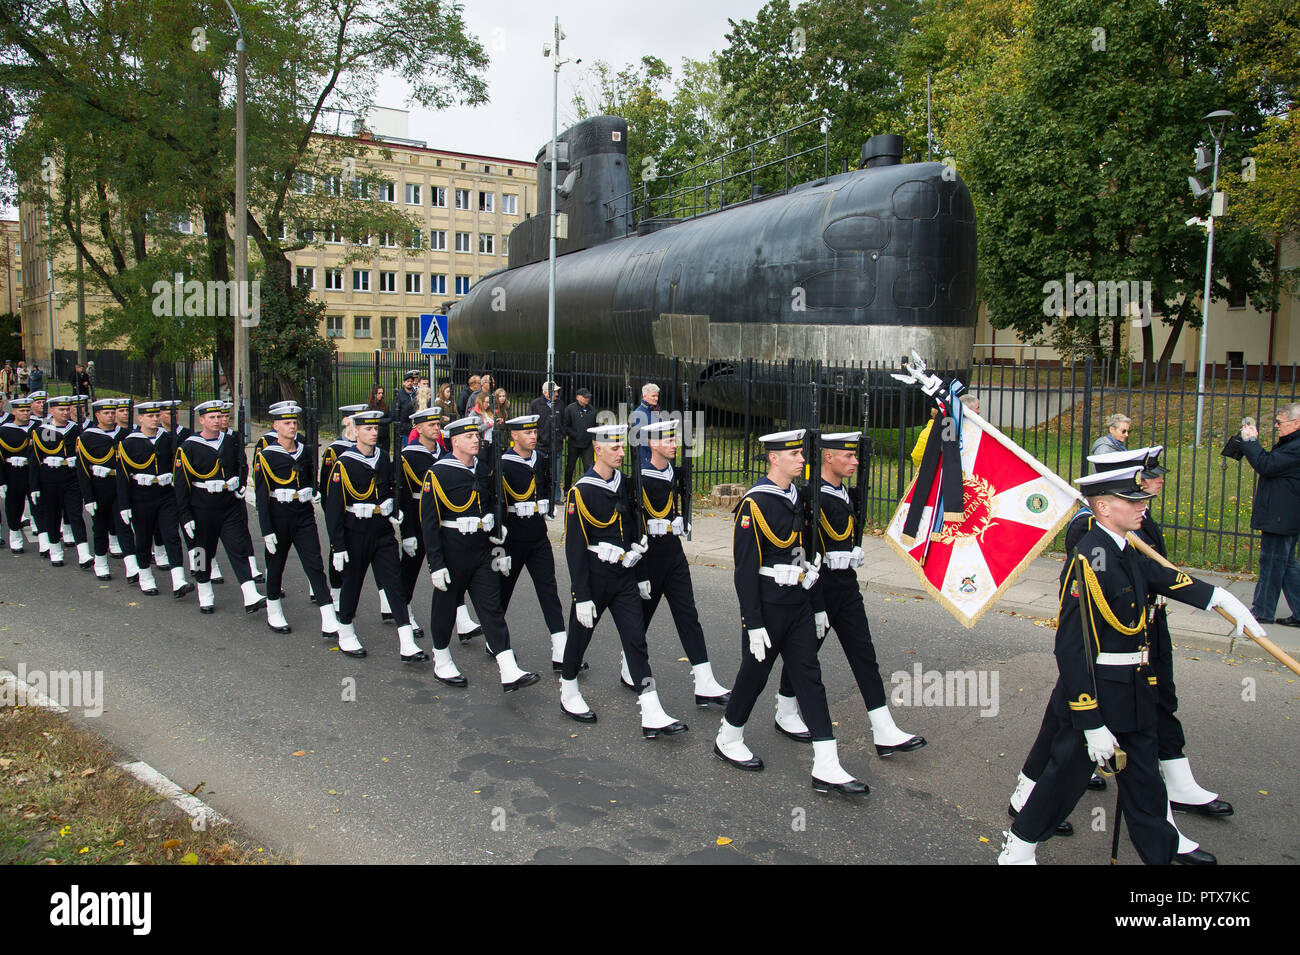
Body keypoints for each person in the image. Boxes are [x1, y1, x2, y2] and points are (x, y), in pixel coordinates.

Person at [998, 464, 1260, 865]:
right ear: (1103, 507)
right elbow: (1071, 648)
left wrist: (1219, 598)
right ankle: (1018, 848)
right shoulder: (1090, 559)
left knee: (1144, 781)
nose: (1143, 507)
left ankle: (1161, 851)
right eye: (1132, 500)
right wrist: (1090, 720)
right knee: (1063, 780)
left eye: (1142, 500)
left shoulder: (1125, 548)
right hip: (1101, 692)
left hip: (1135, 686)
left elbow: (1161, 577)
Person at [712, 429, 867, 795]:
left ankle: (827, 764)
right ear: (774, 458)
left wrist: (817, 608)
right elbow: (745, 570)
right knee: (754, 675)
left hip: (798, 602)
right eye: (795, 454)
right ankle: (728, 735)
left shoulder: (801, 497)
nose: (802, 459)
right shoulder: (754, 503)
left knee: (810, 678)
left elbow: (806, 555)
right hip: (767, 605)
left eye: (802, 453)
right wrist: (752, 623)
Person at [771, 430, 924, 755]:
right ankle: (785, 710)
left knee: (864, 655)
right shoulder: (812, 497)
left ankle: (884, 729)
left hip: (846, 586)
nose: (855, 462)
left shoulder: (845, 495)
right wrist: (816, 601)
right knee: (805, 654)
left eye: (856, 456)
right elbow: (803, 549)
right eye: (848, 456)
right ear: (828, 456)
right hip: (818, 588)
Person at [558, 424, 686, 737]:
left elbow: (632, 531)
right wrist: (581, 595)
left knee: (635, 639)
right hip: (595, 577)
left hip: (625, 577)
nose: (620, 453)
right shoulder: (582, 491)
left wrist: (641, 574)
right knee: (580, 636)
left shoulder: (625, 485)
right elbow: (574, 548)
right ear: (597, 449)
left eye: (621, 447)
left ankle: (651, 707)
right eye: (613, 448)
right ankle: (569, 689)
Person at [420, 414, 540, 691]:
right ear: (455, 442)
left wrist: (496, 531)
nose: (476, 440)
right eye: (470, 437)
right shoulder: (438, 473)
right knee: (446, 607)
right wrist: (435, 564)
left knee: (491, 607)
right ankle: (441, 658)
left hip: (482, 550)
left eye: (476, 436)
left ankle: (508, 667)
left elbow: (490, 504)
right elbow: (430, 524)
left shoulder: (483, 469)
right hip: (453, 551)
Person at [619, 418, 730, 705]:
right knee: (642, 616)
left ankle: (705, 680)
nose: (674, 444)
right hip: (650, 557)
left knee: (688, 615)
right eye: (668, 440)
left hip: (674, 554)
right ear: (652, 444)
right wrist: (639, 568)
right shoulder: (639, 479)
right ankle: (628, 665)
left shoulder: (674, 473)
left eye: (674, 439)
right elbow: (633, 524)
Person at [324, 408, 422, 660]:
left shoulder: (381, 457)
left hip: (381, 530)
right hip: (355, 531)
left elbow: (390, 488)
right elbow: (334, 509)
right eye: (367, 429)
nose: (373, 433)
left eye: (375, 428)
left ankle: (406, 640)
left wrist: (393, 508)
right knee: (352, 583)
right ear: (355, 432)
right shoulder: (343, 464)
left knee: (394, 583)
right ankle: (345, 631)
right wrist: (337, 546)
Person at [174, 399, 265, 614]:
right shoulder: (188, 446)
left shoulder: (230, 441)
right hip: (201, 506)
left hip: (228, 504)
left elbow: (241, 464)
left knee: (238, 547)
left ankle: (250, 592)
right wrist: (185, 516)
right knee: (201, 551)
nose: (216, 421)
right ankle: (204, 591)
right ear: (201, 420)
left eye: (219, 417)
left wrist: (240, 484)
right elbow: (181, 484)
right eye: (211, 417)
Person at [253, 402, 334, 637]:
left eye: (294, 423)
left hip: (303, 514)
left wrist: (312, 490)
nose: (291, 427)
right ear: (275, 426)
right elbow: (261, 495)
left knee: (314, 563)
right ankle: (274, 608)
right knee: (275, 564)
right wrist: (266, 530)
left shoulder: (304, 450)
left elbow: (310, 477)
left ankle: (328, 615)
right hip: (279, 515)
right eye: (286, 423)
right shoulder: (266, 455)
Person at [496, 414, 570, 671]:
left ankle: (561, 647)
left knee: (548, 589)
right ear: (514, 435)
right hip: (513, 536)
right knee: (503, 590)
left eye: (534, 431)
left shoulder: (541, 459)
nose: (533, 436)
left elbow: (547, 485)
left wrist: (548, 504)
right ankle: (495, 638)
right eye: (527, 432)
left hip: (537, 534)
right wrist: (500, 546)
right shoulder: (503, 463)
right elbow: (498, 504)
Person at [116, 400, 191, 598]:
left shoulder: (167, 439)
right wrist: (124, 505)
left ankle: (178, 580)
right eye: (150, 416)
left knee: (171, 535)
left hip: (165, 494)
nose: (155, 419)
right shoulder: (130, 442)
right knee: (143, 538)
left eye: (157, 416)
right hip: (141, 496)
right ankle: (145, 576)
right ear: (140, 418)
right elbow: (123, 475)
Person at [1240, 405, 1300, 626]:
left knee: (1272, 563)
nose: (1276, 425)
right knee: (1286, 565)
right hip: (1283, 513)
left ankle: (1262, 610)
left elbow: (1266, 465)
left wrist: (1250, 443)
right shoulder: (1291, 443)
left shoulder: (1296, 446)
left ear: (1296, 423)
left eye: (1280, 422)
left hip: (1281, 515)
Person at [76, 398, 138, 581]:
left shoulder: (125, 434)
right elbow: (82, 470)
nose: (110, 416)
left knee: (124, 525)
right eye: (106, 413)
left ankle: (132, 566)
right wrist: (88, 497)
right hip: (99, 487)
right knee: (100, 526)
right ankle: (101, 562)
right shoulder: (88, 437)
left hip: (120, 486)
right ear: (97, 415)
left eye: (112, 413)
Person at [397, 406, 444, 634]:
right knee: (410, 568)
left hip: (440, 517)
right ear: (418, 428)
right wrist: (407, 533)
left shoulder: (443, 452)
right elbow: (403, 498)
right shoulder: (407, 456)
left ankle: (460, 616)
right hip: (416, 516)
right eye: (431, 425)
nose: (436, 429)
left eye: (437, 424)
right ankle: (403, 611)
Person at [28, 395, 90, 568]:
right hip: (49, 479)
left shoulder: (76, 429)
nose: (65, 412)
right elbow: (35, 460)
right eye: (61, 410)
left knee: (75, 515)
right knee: (52, 516)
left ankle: (83, 553)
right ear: (51, 411)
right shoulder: (43, 431)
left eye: (67, 409)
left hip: (71, 478)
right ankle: (55, 550)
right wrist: (34, 487)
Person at [0, 397, 35, 551]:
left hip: (33, 472)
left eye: (28, 410)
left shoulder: (39, 427)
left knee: (39, 505)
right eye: (22, 410)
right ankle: (15, 534)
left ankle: (44, 539)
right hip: (13, 472)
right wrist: (1, 480)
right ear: (13, 412)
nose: (26, 413)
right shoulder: (4, 430)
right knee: (14, 505)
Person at [910, 393, 980, 469]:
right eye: (978, 408)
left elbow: (916, 457)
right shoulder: (947, 431)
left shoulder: (929, 429)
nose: (979, 411)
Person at [562, 387, 596, 492]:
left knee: (589, 466)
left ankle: (588, 489)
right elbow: (565, 425)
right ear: (577, 397)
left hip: (588, 444)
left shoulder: (592, 410)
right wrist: (574, 434)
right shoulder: (570, 409)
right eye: (584, 397)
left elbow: (596, 426)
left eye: (588, 397)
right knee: (570, 467)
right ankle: (567, 489)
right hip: (574, 443)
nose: (587, 399)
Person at [629, 383, 661, 469]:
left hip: (657, 454)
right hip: (646, 457)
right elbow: (642, 438)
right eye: (653, 396)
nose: (656, 398)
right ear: (644, 396)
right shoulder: (638, 413)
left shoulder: (656, 410)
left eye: (657, 396)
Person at [392, 369, 419, 436]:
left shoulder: (416, 394)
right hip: (405, 428)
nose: (410, 383)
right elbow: (395, 413)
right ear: (403, 383)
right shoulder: (399, 395)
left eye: (411, 381)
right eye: (407, 381)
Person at [368, 384, 390, 455]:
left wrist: (379, 421)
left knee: (385, 454)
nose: (381, 395)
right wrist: (380, 421)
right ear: (374, 394)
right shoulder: (370, 406)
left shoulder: (384, 405)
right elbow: (371, 420)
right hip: (376, 435)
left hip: (385, 435)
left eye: (382, 393)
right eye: (379, 393)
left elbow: (390, 418)